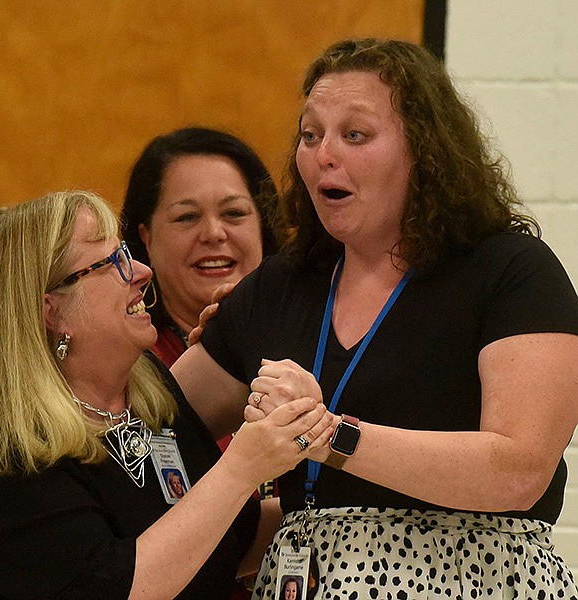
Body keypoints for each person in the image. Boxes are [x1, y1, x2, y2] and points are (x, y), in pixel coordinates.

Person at [170, 39, 578, 597]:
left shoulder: (509, 270)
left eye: (354, 135)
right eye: (310, 136)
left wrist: (329, 436)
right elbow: (153, 426)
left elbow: (519, 470)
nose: (323, 155)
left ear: (424, 152)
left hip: (473, 578)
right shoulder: (280, 285)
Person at [0, 190, 334, 599]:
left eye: (127, 253)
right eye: (113, 263)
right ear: (51, 310)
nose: (141, 271)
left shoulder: (147, 398)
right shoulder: (6, 453)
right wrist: (244, 466)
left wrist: (346, 510)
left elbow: (229, 534)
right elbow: (119, 587)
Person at [121, 126, 279, 367]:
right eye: (187, 217)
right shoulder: (128, 371)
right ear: (146, 239)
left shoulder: (311, 336)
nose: (213, 234)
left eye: (233, 213)